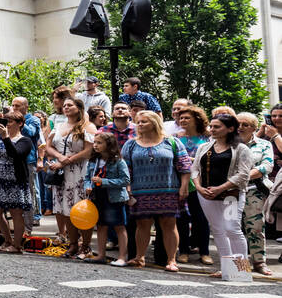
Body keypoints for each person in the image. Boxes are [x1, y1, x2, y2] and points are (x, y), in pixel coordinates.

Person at [122, 111, 191, 271]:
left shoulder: (172, 142)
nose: (139, 125)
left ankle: (172, 260)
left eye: (144, 122)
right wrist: (128, 188)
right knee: (142, 224)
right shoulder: (131, 144)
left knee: (169, 224)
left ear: (154, 123)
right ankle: (139, 258)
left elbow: (185, 166)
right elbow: (125, 169)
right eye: (138, 122)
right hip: (140, 191)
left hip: (168, 190)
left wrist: (184, 187)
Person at [190, 113, 254, 279]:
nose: (212, 129)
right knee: (218, 230)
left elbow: (243, 174)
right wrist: (198, 187)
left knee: (232, 229)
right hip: (206, 195)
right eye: (211, 126)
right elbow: (195, 169)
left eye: (217, 126)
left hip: (230, 195)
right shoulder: (204, 147)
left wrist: (220, 188)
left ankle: (241, 270)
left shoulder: (241, 149)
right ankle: (226, 268)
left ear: (230, 128)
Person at [42, 95, 96, 257]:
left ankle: (85, 245)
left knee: (81, 209)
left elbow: (88, 151)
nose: (66, 107)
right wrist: (59, 158)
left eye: (70, 105)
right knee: (65, 209)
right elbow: (48, 147)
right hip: (61, 172)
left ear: (78, 108)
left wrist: (66, 160)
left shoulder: (88, 126)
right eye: (64, 105)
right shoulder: (58, 126)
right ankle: (72, 244)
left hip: (80, 171)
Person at [0, 111, 35, 253]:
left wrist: (5, 137)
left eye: (10, 121)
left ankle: (17, 245)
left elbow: (15, 154)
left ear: (20, 124)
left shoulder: (25, 140)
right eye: (6, 121)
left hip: (15, 181)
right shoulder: (0, 139)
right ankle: (7, 239)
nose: (7, 124)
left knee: (16, 212)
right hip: (0, 179)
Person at [172, 105, 212, 266]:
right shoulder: (176, 137)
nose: (183, 120)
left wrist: (192, 160)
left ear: (197, 119)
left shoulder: (207, 138)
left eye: (187, 117)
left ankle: (205, 252)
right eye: (181, 118)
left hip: (200, 183)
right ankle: (183, 251)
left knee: (201, 219)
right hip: (180, 181)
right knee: (181, 218)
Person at [237, 113, 275, 275]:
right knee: (233, 229)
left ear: (253, 128)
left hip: (254, 191)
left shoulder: (264, 144)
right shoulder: (227, 143)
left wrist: (242, 176)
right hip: (230, 192)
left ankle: (259, 262)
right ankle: (239, 266)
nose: (240, 127)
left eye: (245, 124)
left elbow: (266, 166)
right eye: (238, 124)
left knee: (256, 228)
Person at [88, 133, 130, 266]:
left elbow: (125, 180)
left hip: (114, 198)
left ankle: (122, 257)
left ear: (109, 145)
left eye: (99, 142)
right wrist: (88, 186)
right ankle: (101, 255)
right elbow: (86, 178)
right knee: (101, 226)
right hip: (98, 196)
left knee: (119, 226)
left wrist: (103, 181)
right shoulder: (94, 160)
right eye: (95, 142)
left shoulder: (118, 161)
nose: (95, 145)